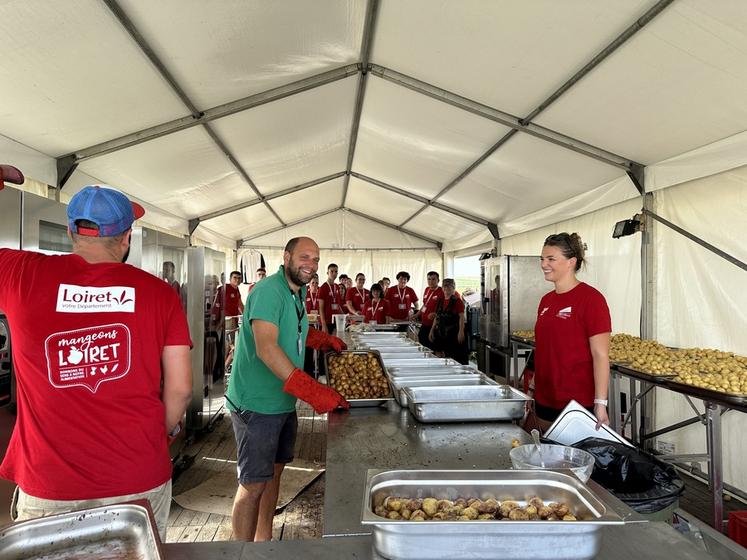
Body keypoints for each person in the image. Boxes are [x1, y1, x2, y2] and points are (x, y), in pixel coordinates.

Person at [0, 185, 192, 538]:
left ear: (72, 231)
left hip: (49, 484)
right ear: (126, 238)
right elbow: (180, 389)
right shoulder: (159, 294)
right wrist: (159, 432)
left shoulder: (19, 274)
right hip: (135, 479)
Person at [225, 237, 349, 542]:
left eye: (316, 259)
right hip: (256, 405)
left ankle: (263, 541)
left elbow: (291, 331)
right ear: (287, 257)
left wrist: (320, 339)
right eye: (304, 257)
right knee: (253, 484)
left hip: (282, 402)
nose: (311, 264)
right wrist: (313, 391)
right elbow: (267, 348)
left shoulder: (298, 292)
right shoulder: (269, 291)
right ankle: (241, 551)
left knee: (274, 475)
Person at [531, 232, 611, 429]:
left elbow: (600, 355)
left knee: (571, 458)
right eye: (542, 259)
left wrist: (601, 403)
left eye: (551, 259)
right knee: (547, 454)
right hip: (545, 396)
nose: (543, 264)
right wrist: (533, 384)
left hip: (576, 400)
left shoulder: (591, 299)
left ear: (571, 262)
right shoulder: (546, 301)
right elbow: (543, 346)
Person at [429, 278, 468, 364]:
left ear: (453, 288)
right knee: (439, 355)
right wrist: (432, 330)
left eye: (450, 287)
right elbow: (437, 317)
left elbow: (462, 317)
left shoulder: (457, 301)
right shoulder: (440, 300)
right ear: (442, 288)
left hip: (453, 333)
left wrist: (461, 332)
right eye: (445, 286)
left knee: (454, 357)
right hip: (441, 332)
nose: (447, 289)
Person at [414, 271, 443, 348]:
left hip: (434, 325)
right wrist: (417, 314)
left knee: (433, 346)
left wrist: (436, 314)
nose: (431, 281)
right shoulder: (427, 289)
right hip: (424, 323)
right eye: (429, 279)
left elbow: (444, 308)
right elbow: (425, 305)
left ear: (438, 280)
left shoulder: (441, 291)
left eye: (433, 279)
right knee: (422, 341)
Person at [318, 263, 344, 334]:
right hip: (326, 322)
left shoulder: (337, 287)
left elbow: (338, 305)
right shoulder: (323, 287)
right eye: (331, 271)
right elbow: (321, 308)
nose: (334, 273)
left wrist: (344, 316)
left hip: (336, 321)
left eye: (336, 272)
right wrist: (323, 324)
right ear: (327, 273)